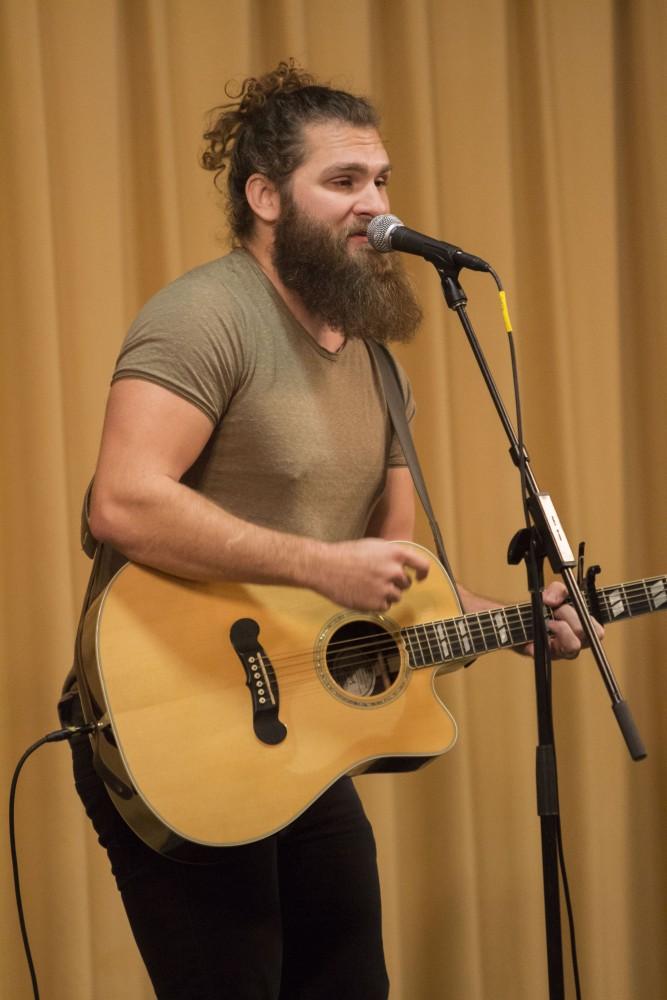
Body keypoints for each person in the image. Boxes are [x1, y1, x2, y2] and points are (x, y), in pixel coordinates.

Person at [65, 61, 597, 999]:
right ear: (265, 197)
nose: (375, 204)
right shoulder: (204, 316)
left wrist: (515, 621)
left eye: (382, 180)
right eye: (344, 182)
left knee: (351, 983)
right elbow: (122, 500)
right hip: (168, 720)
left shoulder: (380, 370)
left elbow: (399, 582)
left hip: (292, 734)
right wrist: (320, 564)